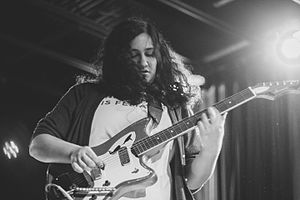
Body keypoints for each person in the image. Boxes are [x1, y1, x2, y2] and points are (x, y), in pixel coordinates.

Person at [29, 17, 227, 200]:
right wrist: (74, 152)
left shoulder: (174, 108)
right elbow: (38, 145)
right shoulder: (85, 95)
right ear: (119, 59)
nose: (144, 63)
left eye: (150, 54)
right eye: (134, 55)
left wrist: (213, 145)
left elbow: (191, 183)